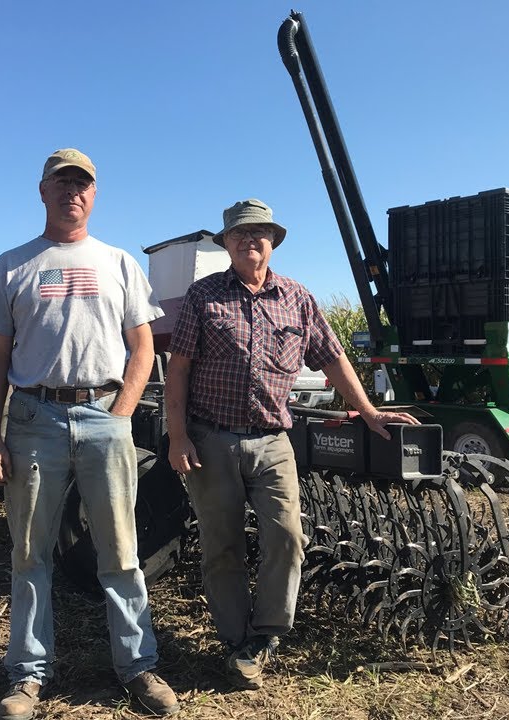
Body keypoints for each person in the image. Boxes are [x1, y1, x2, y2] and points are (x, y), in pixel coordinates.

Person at [165, 198, 418, 690]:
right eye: (239, 234)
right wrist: (176, 436)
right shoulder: (203, 296)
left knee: (287, 536)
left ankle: (266, 634)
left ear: (273, 240)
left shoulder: (296, 297)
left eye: (259, 233)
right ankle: (236, 640)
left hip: (273, 440)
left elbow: (332, 357)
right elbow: (178, 370)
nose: (249, 241)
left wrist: (366, 410)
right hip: (210, 438)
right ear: (227, 243)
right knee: (222, 546)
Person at [0, 149, 179, 719]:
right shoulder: (12, 265)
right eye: (62, 183)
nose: (73, 192)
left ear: (95, 195)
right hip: (33, 420)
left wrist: (121, 412)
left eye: (83, 185)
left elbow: (143, 347)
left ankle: (138, 667)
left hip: (103, 418)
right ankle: (26, 676)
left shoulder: (118, 263)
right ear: (41, 192)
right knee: (29, 553)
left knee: (120, 552)